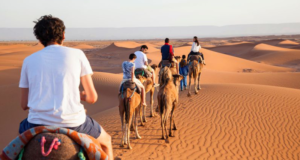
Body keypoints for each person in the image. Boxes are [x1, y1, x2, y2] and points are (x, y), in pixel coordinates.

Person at [18, 15, 113, 159]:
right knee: (106, 142)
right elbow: (92, 98)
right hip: (74, 122)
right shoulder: (77, 54)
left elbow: (24, 105)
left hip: (35, 123)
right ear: (63, 35)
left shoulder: (28, 60)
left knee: (18, 149)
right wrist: (79, 95)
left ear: (39, 39)